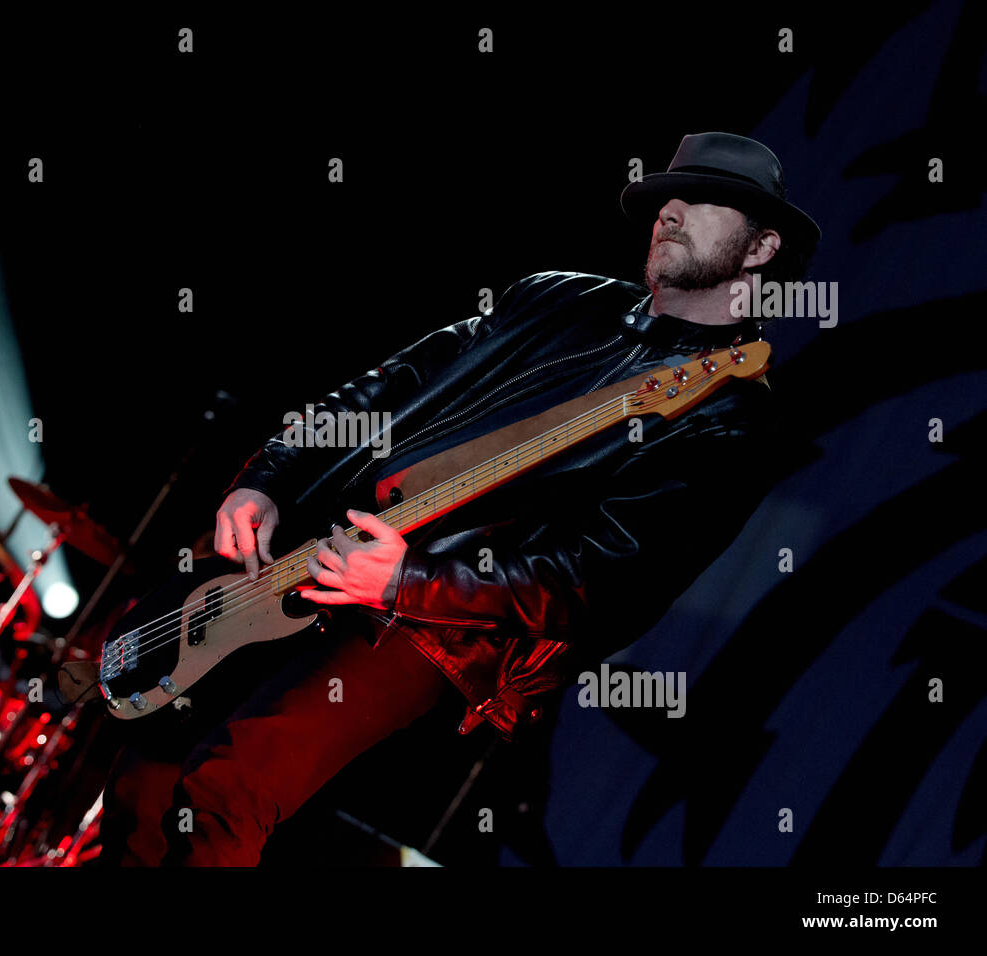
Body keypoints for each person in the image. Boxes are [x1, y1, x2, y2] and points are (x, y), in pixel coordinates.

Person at [107, 131, 820, 865]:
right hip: (310, 550)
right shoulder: (553, 297)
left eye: (704, 200)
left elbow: (607, 581)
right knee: (149, 768)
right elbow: (382, 387)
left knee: (228, 789)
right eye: (668, 194)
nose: (670, 208)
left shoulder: (732, 414)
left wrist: (404, 579)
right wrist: (265, 478)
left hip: (437, 626)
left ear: (762, 249)